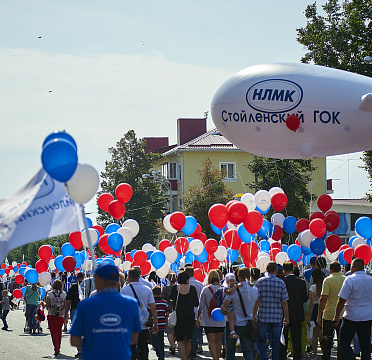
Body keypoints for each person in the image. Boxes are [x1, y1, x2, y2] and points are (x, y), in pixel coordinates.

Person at [70, 262, 142, 360]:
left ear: (98, 280)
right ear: (118, 281)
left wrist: (92, 346)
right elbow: (133, 339)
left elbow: (74, 340)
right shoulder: (131, 304)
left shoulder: (85, 305)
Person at [333, 258, 372, 360]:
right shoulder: (370, 280)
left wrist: (337, 315)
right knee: (365, 344)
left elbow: (342, 299)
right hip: (367, 316)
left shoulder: (350, 279)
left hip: (352, 316)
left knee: (344, 342)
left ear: (353, 267)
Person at [253, 261, 289, 360]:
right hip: (277, 316)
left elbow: (257, 300)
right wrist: (286, 317)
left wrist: (253, 314)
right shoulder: (281, 283)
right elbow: (284, 302)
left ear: (267, 270)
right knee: (276, 342)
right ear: (276, 270)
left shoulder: (260, 282)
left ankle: (264, 357)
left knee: (261, 340)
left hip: (263, 316)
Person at [121, 267, 158, 360]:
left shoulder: (124, 290)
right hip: (144, 323)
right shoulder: (147, 289)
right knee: (143, 345)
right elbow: (153, 308)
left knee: (131, 346)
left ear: (129, 277)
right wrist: (155, 323)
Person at [222, 267, 258, 360]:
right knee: (247, 350)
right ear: (249, 276)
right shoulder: (254, 289)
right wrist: (253, 313)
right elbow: (258, 301)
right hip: (248, 323)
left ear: (238, 276)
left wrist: (227, 313)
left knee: (230, 351)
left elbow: (224, 308)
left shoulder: (233, 291)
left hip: (233, 323)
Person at [279, 261, 308, 360]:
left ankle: (282, 356)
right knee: (297, 337)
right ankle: (297, 356)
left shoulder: (282, 282)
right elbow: (305, 298)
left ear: (284, 270)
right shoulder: (301, 282)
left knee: (284, 336)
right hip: (298, 312)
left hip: (284, 313)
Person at [317, 261, 345, 360]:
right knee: (342, 341)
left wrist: (319, 315)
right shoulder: (345, 279)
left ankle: (326, 357)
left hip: (329, 313)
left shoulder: (327, 280)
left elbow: (323, 298)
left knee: (327, 339)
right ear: (340, 269)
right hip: (343, 313)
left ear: (330, 269)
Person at [197, 269, 226, 360]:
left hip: (208, 319)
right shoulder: (224, 289)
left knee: (211, 341)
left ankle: (215, 358)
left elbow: (201, 305)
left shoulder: (205, 289)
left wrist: (198, 317)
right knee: (218, 341)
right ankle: (217, 356)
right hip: (221, 318)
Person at [170, 270, 199, 360]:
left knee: (180, 340)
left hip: (179, 316)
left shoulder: (175, 288)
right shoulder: (192, 289)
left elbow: (171, 299)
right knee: (188, 339)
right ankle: (186, 357)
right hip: (190, 316)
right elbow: (196, 303)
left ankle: (183, 358)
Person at [185, 264, 204, 358]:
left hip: (186, 311)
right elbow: (201, 300)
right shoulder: (199, 284)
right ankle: (193, 352)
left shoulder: (183, 285)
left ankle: (187, 352)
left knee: (186, 334)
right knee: (194, 334)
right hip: (197, 312)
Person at [64, 272, 84, 358]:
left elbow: (68, 302)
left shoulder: (73, 287)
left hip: (75, 310)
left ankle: (80, 350)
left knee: (77, 331)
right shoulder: (88, 286)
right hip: (86, 311)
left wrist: (65, 314)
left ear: (76, 278)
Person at [307, 268, 325, 360]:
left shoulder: (312, 288)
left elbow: (311, 303)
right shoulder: (324, 286)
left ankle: (314, 355)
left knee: (314, 335)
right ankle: (324, 352)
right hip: (324, 309)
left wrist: (309, 317)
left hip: (315, 310)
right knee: (322, 333)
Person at [45, 279, 66, 356]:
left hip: (51, 315)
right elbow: (65, 305)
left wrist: (43, 303)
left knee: (53, 332)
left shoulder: (49, 294)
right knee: (59, 332)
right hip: (61, 315)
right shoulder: (64, 294)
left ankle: (56, 348)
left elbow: (47, 305)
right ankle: (58, 347)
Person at [150, 286, 169, 360]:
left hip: (153, 325)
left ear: (152, 294)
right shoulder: (164, 302)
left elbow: (150, 313)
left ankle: (159, 354)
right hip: (162, 324)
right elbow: (167, 313)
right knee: (161, 340)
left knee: (155, 341)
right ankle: (162, 354)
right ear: (161, 293)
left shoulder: (152, 303)